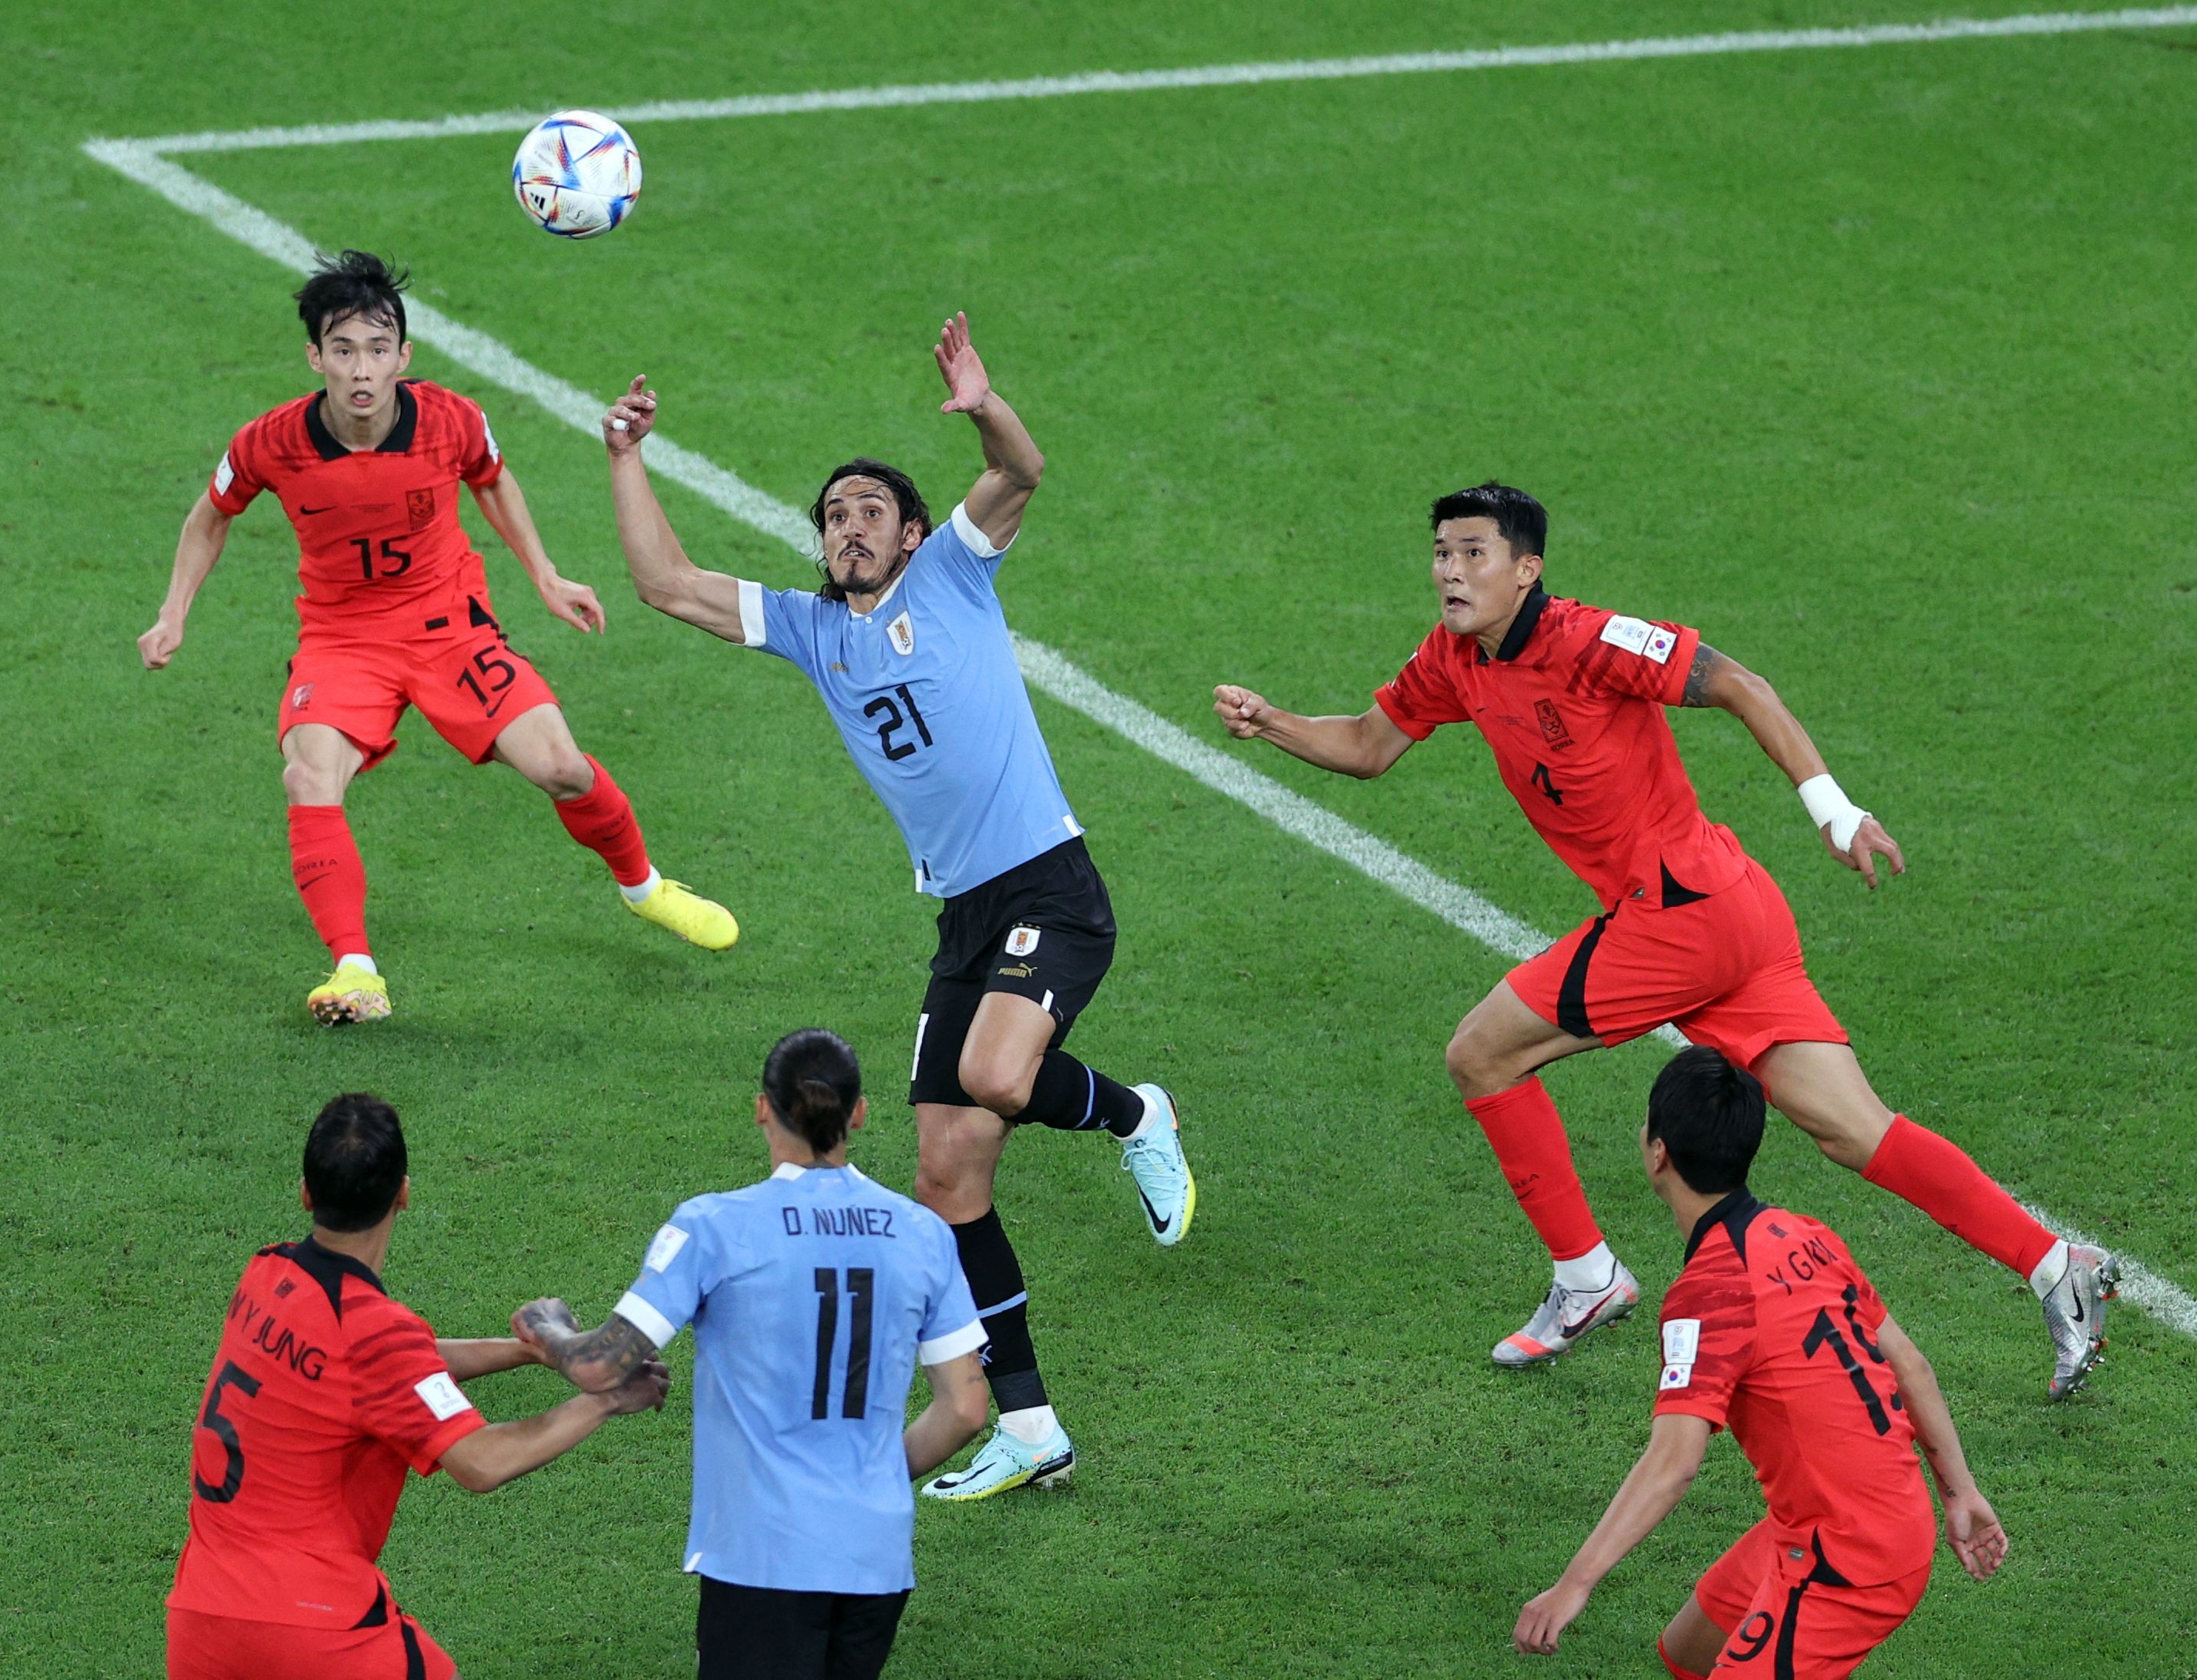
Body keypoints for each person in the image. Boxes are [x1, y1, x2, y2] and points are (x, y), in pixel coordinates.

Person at [1213, 482, 2115, 1397]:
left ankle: (1586, 1277)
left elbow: (1741, 685)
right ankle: (2056, 1264)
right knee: (1853, 1128)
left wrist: (1836, 813)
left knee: (1481, 1054)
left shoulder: (1591, 640)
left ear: (1526, 569)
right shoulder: (1454, 658)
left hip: (1677, 918)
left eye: (1473, 553)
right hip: (1731, 911)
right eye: (1442, 552)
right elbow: (1369, 744)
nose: (1451, 570)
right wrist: (1270, 721)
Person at [597, 313, 1194, 1497]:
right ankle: (1030, 1424)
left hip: (1050, 884)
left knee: (996, 1076)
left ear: (911, 533)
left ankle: (1136, 1112)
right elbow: (666, 584)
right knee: (946, 1172)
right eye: (834, 515)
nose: (850, 526)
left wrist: (983, 404)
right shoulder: (816, 630)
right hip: (965, 912)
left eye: (872, 510)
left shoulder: (953, 572)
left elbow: (1022, 471)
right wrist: (625, 455)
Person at [136, 249, 735, 1026]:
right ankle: (355, 970)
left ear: (403, 355)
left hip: (447, 626)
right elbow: (210, 516)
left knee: (561, 766)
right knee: (308, 775)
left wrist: (545, 575)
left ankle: (645, 888)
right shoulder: (270, 442)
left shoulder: (451, 419)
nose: (361, 369)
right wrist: (174, 610)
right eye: (343, 350)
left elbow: (491, 478)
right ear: (315, 356)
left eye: (377, 349)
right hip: (343, 640)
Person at [1513, 1047, 2008, 1675]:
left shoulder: (1711, 1292)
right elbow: (1911, 1366)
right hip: (1859, 1516)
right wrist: (1959, 1492)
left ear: (1659, 1152)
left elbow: (1674, 1462)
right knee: (1688, 1653)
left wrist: (1574, 1583)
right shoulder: (1805, 1234)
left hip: (1848, 1558)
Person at [518, 1029, 992, 1678]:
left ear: (763, 1108)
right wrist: (870, 1477)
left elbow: (601, 1363)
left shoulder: (716, 1226)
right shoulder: (923, 1234)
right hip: (875, 1556)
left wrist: (549, 1328)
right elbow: (965, 1408)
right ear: (858, 1113)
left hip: (764, 1556)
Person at [165, 1093, 668, 1680]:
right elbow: (481, 1461)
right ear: (403, 1192)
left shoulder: (266, 1273)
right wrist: (605, 1398)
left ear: (305, 1192)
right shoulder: (372, 1331)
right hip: (316, 1623)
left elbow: (385, 1373)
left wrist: (527, 1351)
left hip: (202, 1617)